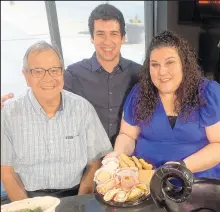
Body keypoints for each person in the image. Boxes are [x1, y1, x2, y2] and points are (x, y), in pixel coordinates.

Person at [1, 4, 141, 146]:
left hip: (129, 155)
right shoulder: (74, 74)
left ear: (123, 38)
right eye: (100, 34)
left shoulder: (140, 73)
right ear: (92, 37)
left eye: (114, 34)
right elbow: (43, 94)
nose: (107, 41)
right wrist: (9, 105)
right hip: (87, 156)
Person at [106, 31, 220, 181]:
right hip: (147, 180)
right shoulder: (139, 94)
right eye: (155, 65)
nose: (162, 71)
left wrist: (179, 167)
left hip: (199, 181)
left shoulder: (209, 94)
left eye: (170, 62)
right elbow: (127, 135)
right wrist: (118, 155)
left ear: (184, 63)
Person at [1, 41, 112, 201]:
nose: (48, 78)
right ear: (26, 76)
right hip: (29, 197)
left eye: (54, 70)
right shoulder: (9, 113)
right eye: (38, 71)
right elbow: (7, 174)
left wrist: (79, 203)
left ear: (62, 73)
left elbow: (94, 163)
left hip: (75, 195)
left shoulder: (82, 108)